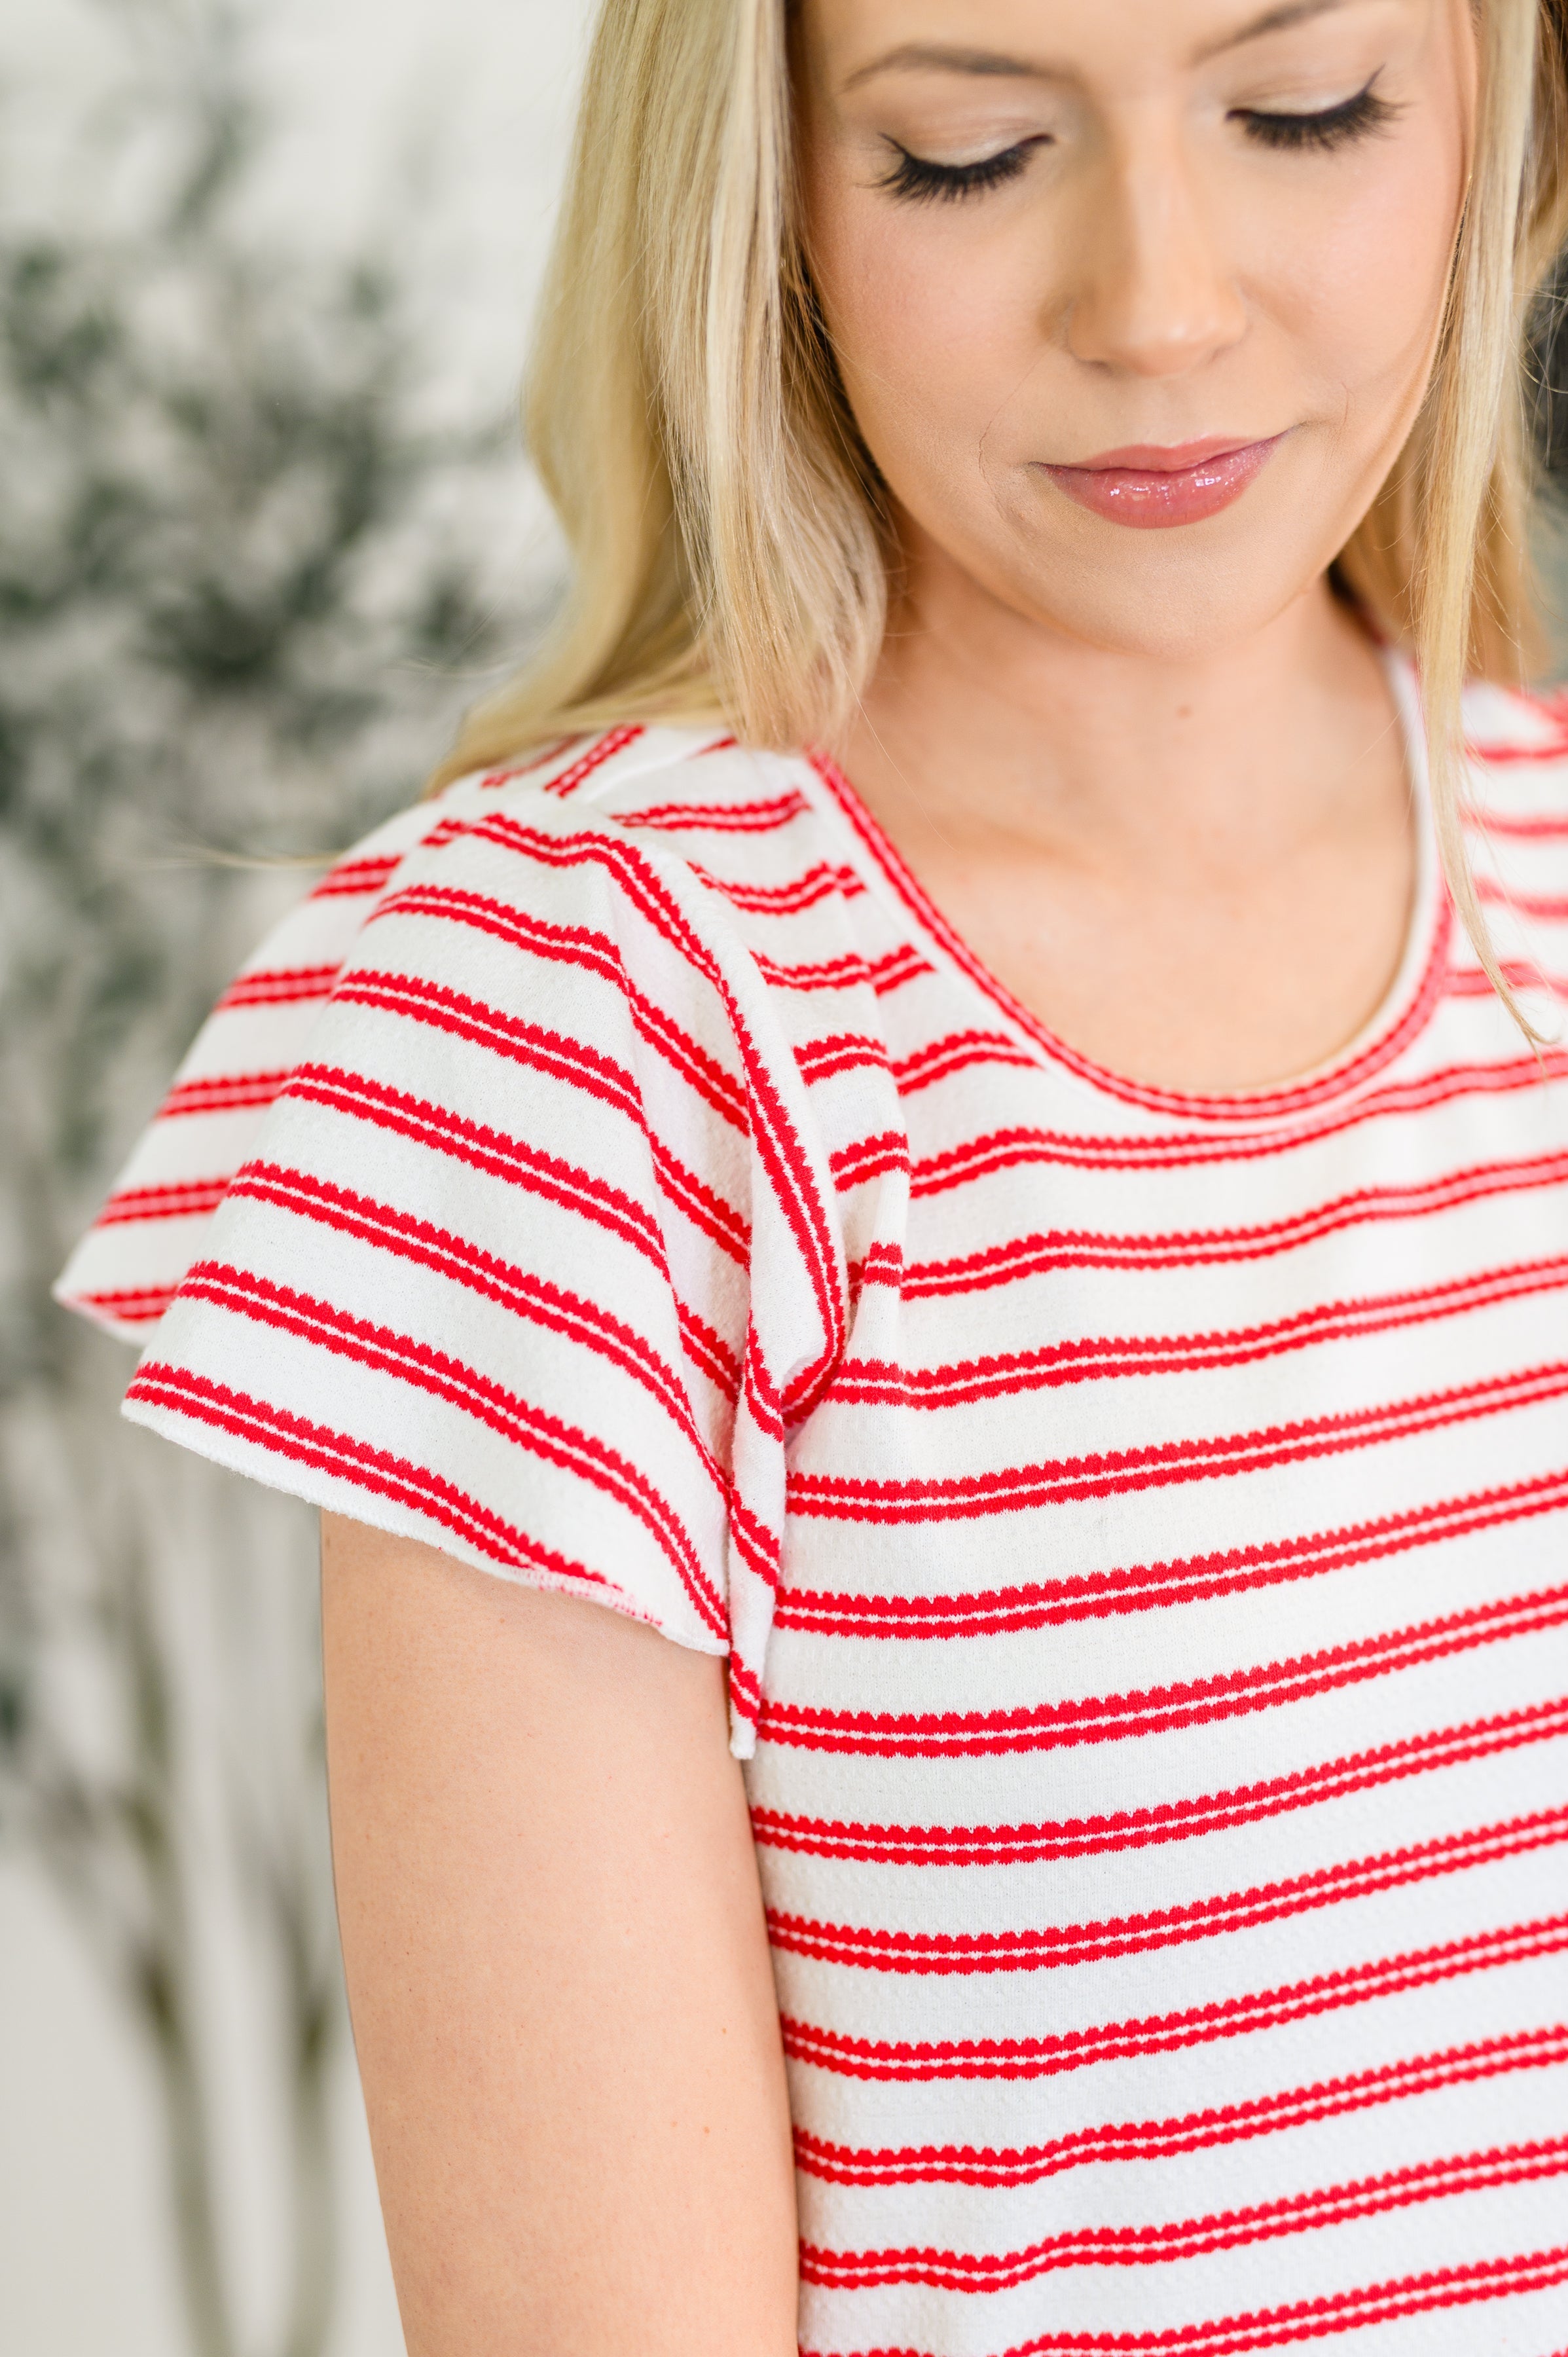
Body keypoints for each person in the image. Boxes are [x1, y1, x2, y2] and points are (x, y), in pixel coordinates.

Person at [58, 0, 1568, 2348]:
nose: (1160, 306)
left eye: (1304, 112)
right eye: (964, 153)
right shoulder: (582, 1025)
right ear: (761, 200)